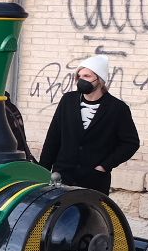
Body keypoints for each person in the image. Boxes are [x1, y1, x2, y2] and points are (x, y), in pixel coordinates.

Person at [40, 54, 138, 193]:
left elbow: (130, 143)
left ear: (100, 79)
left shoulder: (117, 108)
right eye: (79, 76)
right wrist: (42, 171)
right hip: (61, 177)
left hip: (94, 180)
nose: (81, 80)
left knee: (89, 214)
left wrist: (105, 166)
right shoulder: (68, 100)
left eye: (87, 76)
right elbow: (53, 137)